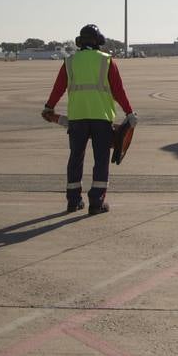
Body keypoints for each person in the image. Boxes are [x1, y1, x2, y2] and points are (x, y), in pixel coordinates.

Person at [40, 24, 137, 214]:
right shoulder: (106, 61)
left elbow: (58, 88)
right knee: (101, 159)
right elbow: (118, 91)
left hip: (77, 118)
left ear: (79, 41)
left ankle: (73, 201)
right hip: (101, 118)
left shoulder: (70, 61)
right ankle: (96, 203)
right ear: (99, 41)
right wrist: (129, 112)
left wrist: (49, 107)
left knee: (76, 158)